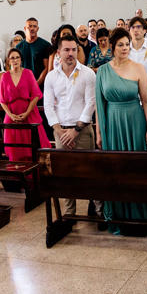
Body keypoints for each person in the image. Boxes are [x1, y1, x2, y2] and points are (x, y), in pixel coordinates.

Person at [95, 28, 147, 235]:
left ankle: (144, 217)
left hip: (135, 121)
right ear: (113, 48)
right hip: (113, 124)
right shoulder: (103, 71)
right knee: (117, 170)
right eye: (121, 45)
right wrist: (99, 133)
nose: (125, 48)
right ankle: (121, 216)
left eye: (127, 44)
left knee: (138, 169)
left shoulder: (138, 68)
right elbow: (99, 105)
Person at [44, 34, 99, 220]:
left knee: (90, 174)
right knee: (65, 175)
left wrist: (75, 131)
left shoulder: (88, 73)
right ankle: (69, 213)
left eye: (74, 49)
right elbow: (48, 106)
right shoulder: (51, 77)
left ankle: (98, 211)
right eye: (66, 50)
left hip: (82, 131)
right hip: (61, 132)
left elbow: (90, 103)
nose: (71, 53)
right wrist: (59, 131)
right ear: (58, 53)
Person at [0, 47, 51, 161]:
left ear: (21, 59)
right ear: (8, 61)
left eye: (17, 58)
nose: (15, 60)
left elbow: (36, 95)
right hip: (12, 116)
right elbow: (2, 100)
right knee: (15, 150)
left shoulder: (28, 73)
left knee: (34, 146)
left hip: (29, 113)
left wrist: (27, 113)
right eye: (12, 58)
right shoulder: (5, 77)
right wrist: (11, 115)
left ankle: (35, 177)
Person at [16, 18, 53, 87]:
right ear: (25, 28)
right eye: (29, 26)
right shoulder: (18, 47)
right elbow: (16, 67)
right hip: (23, 86)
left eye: (34, 26)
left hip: (40, 86)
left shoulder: (45, 45)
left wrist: (36, 84)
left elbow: (47, 67)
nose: (32, 28)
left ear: (37, 28)